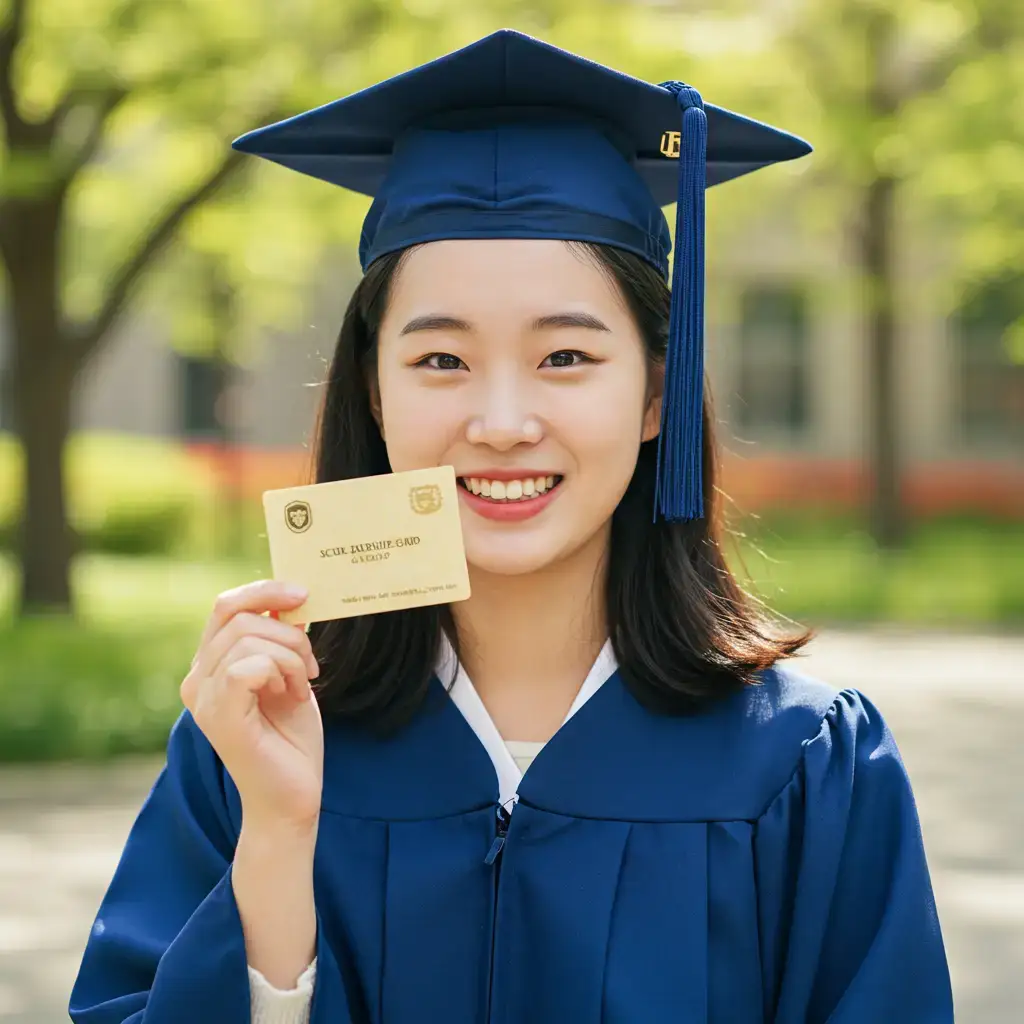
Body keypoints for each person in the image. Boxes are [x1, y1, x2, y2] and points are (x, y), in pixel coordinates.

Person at [69, 29, 953, 1024]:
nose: (498, 423)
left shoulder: (804, 764)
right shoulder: (251, 742)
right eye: (440, 361)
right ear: (374, 388)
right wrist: (277, 836)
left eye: (565, 358)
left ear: (657, 393)